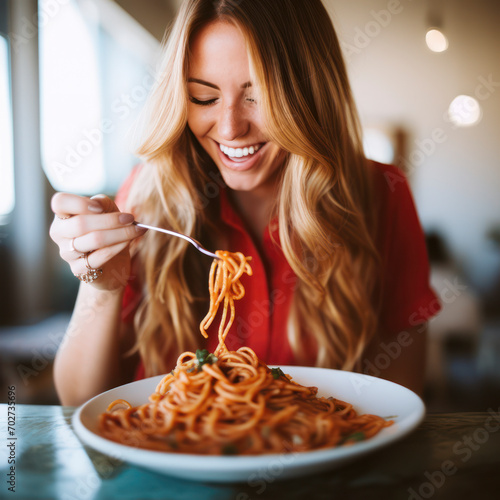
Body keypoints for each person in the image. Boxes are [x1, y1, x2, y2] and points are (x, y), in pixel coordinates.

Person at [49, 0, 440, 406]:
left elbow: (398, 395)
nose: (231, 128)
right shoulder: (147, 195)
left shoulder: (382, 193)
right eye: (203, 97)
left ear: (310, 93)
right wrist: (101, 289)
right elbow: (81, 401)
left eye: (259, 96)